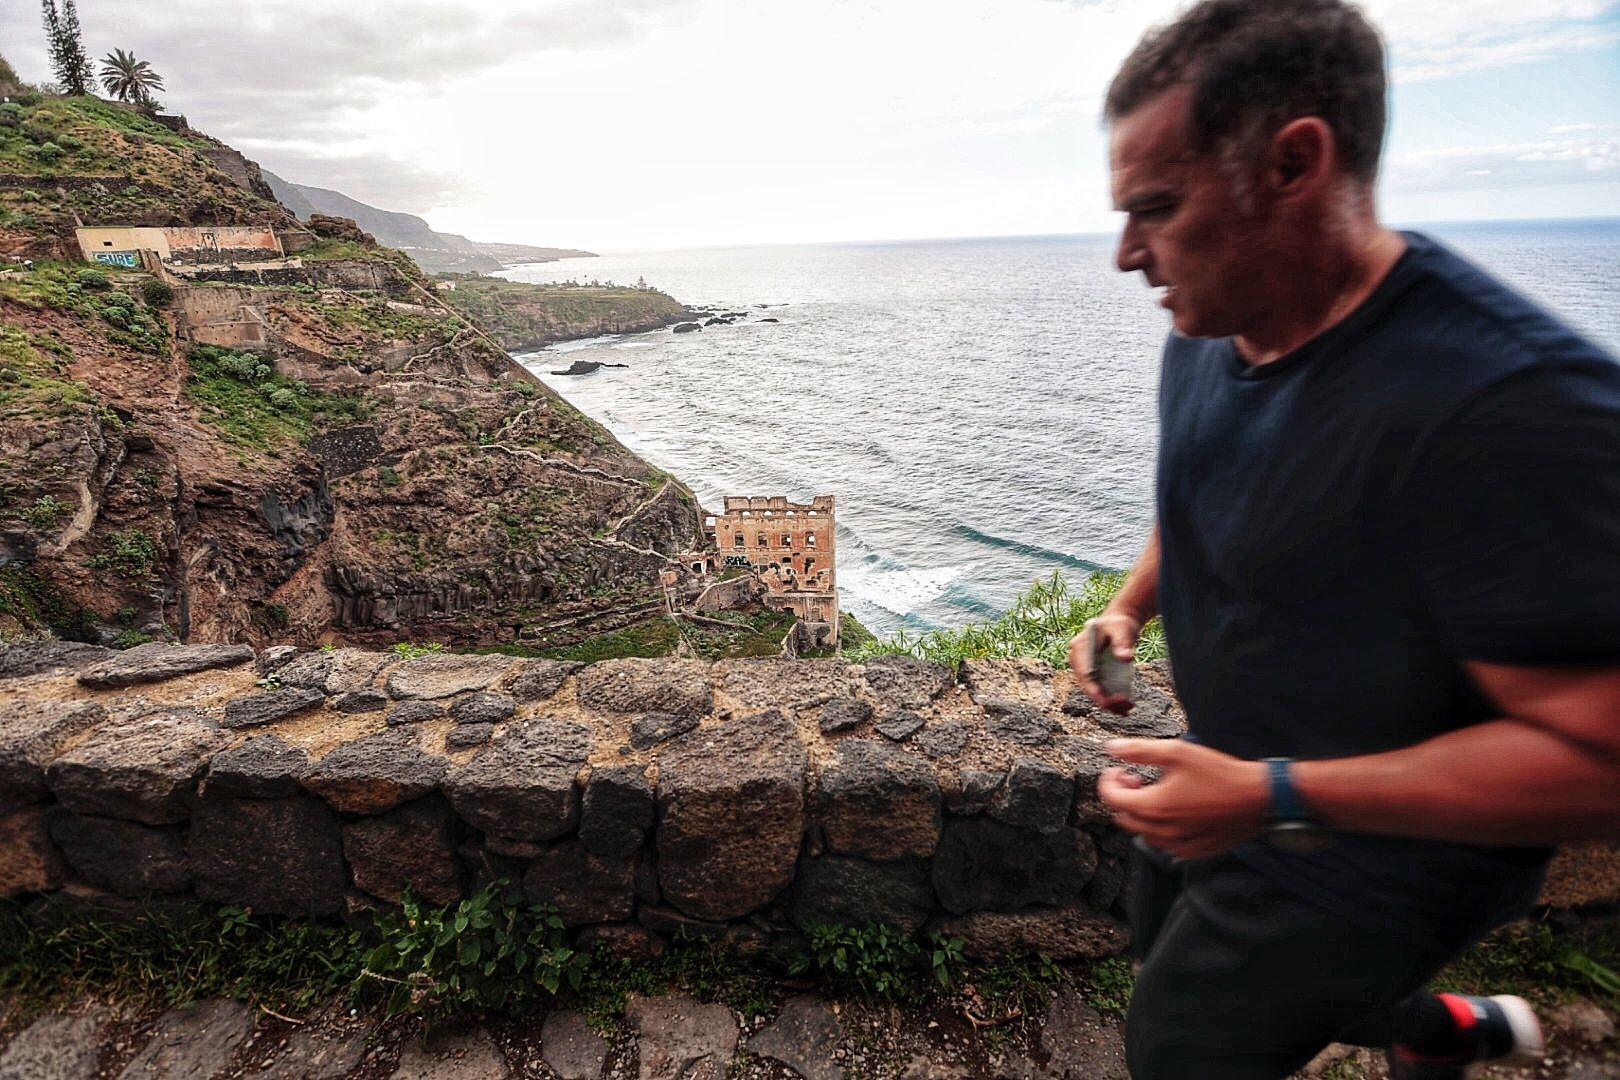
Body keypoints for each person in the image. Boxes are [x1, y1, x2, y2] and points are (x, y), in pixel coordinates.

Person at [1067, 1, 1620, 1077]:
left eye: (1158, 207)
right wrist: (1129, 605)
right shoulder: (1217, 319)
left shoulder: (1500, 402)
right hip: (1227, 777)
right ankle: (1448, 1032)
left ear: (1292, 164)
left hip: (1379, 854)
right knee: (1158, 947)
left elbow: (1602, 760)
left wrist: (1275, 793)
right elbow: (1200, 483)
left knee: (1176, 1045)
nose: (1128, 254)